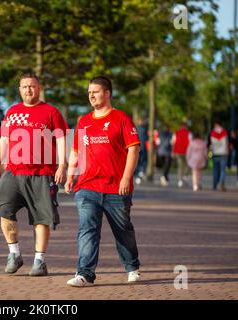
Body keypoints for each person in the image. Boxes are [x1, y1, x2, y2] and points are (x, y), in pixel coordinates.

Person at [0, 73, 68, 276]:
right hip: (14, 172)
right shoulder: (12, 111)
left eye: (32, 86)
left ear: (39, 88)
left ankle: (39, 261)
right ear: (19, 89)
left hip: (42, 173)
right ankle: (14, 253)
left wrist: (62, 165)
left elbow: (60, 141)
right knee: (2, 208)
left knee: (41, 217)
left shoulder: (51, 112)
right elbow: (4, 140)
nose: (28, 90)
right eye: (24, 87)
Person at [65, 76, 141, 287]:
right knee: (87, 230)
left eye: (96, 91)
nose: (91, 95)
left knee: (122, 230)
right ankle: (84, 273)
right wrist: (71, 175)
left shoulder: (122, 118)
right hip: (87, 186)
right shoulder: (84, 121)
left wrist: (126, 178)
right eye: (89, 92)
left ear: (107, 93)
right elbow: (75, 151)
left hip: (117, 188)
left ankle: (132, 267)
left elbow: (133, 149)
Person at [209, 119, 229, 191]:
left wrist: (210, 153)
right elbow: (226, 142)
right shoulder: (224, 131)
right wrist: (227, 151)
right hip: (223, 153)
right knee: (222, 170)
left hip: (215, 153)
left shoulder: (212, 132)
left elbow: (210, 143)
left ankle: (214, 185)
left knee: (215, 170)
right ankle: (221, 183)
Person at [172, 121, 192, 188]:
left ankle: (180, 180)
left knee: (180, 166)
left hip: (178, 151)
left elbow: (173, 143)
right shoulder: (189, 133)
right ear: (186, 126)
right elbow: (191, 143)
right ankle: (184, 177)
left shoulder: (176, 133)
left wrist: (173, 152)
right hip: (187, 152)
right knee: (187, 165)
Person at [134, 117, 148, 185]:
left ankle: (140, 173)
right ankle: (138, 174)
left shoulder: (143, 129)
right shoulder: (137, 128)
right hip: (139, 148)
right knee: (139, 162)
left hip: (142, 148)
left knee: (142, 161)